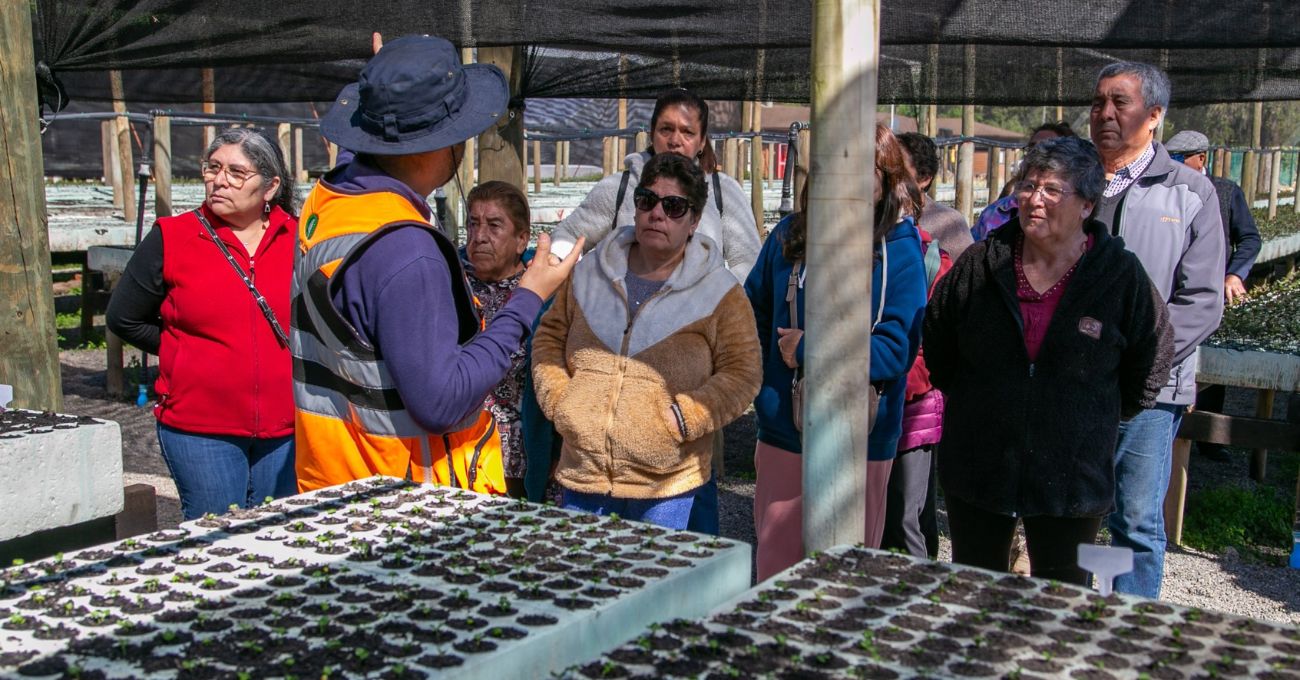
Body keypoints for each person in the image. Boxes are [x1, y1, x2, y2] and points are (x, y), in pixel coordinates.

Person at [290, 35, 581, 494]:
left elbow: (357, 152)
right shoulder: (408, 251)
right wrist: (528, 298)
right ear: (440, 144)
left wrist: (389, 89)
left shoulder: (328, 201)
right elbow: (441, 403)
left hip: (335, 477)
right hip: (406, 504)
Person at [925, 137, 1174, 585]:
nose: (1033, 199)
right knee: (975, 590)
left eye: (1052, 190)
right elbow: (939, 341)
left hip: (1072, 475)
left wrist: (1093, 415)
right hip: (980, 463)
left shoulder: (1119, 275)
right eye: (1028, 186)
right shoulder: (980, 265)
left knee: (1064, 601)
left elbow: (1152, 357)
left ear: (1086, 205)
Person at [551, 88, 761, 534]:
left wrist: (708, 303)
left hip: (688, 381)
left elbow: (748, 261)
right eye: (666, 128)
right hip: (593, 440)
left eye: (687, 131)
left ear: (703, 140)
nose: (675, 139)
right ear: (651, 133)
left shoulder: (724, 195)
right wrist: (565, 400)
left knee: (692, 494)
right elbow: (569, 236)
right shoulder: (623, 185)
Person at [745, 124, 928, 580]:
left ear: (884, 178)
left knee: (845, 577)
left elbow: (892, 353)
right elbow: (752, 315)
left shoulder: (901, 251)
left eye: (860, 166)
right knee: (776, 571)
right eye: (833, 164)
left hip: (861, 434)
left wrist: (809, 348)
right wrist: (763, 389)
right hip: (786, 429)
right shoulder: (787, 236)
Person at [107, 128, 298, 520]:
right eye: (212, 168)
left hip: (289, 425)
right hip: (201, 429)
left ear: (270, 186)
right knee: (215, 533)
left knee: (282, 533)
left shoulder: (298, 240)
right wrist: (185, 354)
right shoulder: (173, 237)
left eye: (236, 172)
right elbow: (124, 317)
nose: (219, 180)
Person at [1089, 62, 1225, 598]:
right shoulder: (1069, 182)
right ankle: (1087, 612)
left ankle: (1127, 634)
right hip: (1071, 377)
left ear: (1155, 116)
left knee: (1137, 518)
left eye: (1119, 103)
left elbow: (1202, 301)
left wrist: (1140, 354)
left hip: (1149, 388)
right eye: (1098, 102)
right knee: (1076, 508)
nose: (1104, 114)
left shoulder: (1190, 192)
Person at [1165, 129, 1262, 462]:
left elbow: (1250, 239)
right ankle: (1172, 429)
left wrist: (1234, 273)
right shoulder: (1165, 190)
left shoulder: (1224, 192)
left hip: (1207, 293)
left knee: (1207, 362)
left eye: (1178, 159)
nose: (1172, 164)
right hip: (1170, 289)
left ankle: (1209, 439)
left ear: (1200, 159)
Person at [461, 181, 535, 498]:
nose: (479, 237)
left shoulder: (540, 292)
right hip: (462, 450)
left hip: (524, 460)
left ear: (521, 240)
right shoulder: (454, 283)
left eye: (494, 226)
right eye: (473, 224)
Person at [972, 121, 1077, 241]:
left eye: (1048, 149)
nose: (1037, 155)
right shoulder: (995, 213)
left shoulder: (1078, 216)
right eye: (1032, 148)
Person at [897, 132, 973, 259]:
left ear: (924, 178)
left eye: (898, 169)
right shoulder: (871, 216)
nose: (887, 175)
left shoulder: (949, 224)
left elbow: (967, 275)